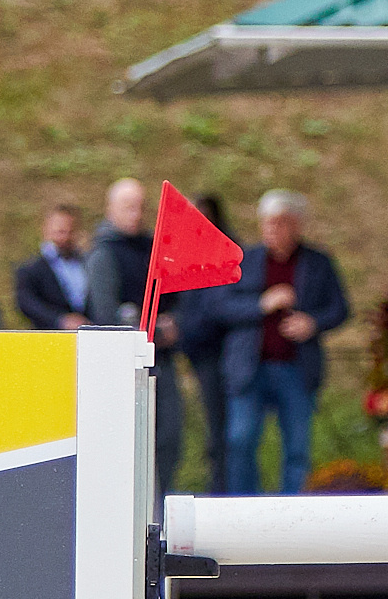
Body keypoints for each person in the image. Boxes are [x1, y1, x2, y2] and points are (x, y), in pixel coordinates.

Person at [218, 191, 350, 495]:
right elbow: (220, 307)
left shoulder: (317, 263)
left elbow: (340, 308)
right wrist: (261, 305)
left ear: (296, 225)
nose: (272, 231)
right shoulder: (245, 261)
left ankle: (292, 513)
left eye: (280, 223)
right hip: (249, 368)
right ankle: (243, 508)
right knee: (240, 440)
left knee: (297, 448)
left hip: (296, 367)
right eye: (267, 223)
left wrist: (312, 323)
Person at [84, 179, 183, 502]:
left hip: (160, 359)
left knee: (168, 437)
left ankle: (158, 505)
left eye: (141, 207)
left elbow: (175, 299)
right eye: (128, 207)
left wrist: (172, 324)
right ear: (110, 209)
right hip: (125, 367)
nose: (136, 214)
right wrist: (143, 324)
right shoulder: (104, 254)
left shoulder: (153, 251)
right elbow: (105, 312)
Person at [177, 194, 237, 493]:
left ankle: (225, 488)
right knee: (217, 428)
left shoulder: (225, 253)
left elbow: (216, 307)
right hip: (202, 352)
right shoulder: (187, 252)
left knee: (227, 431)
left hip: (224, 351)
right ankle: (219, 486)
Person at [12, 203, 92, 329]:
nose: (65, 238)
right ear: (46, 230)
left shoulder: (86, 263)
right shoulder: (32, 269)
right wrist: (59, 320)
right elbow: (26, 303)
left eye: (70, 232)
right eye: (60, 232)